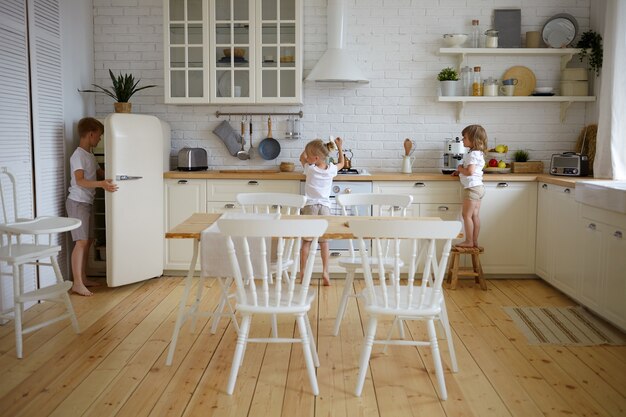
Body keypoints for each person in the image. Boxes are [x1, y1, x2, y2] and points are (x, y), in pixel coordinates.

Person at [66, 117, 118, 296]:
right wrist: (101, 184)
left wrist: (118, 173)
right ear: (90, 134)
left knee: (87, 242)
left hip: (87, 202)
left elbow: (100, 172)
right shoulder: (78, 156)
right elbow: (80, 181)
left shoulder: (89, 155)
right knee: (80, 242)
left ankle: (83, 277)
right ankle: (77, 283)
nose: (100, 139)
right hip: (78, 202)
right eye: (99, 136)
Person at [299, 137, 345, 286]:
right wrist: (339, 146)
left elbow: (302, 158)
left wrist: (306, 151)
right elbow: (342, 163)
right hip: (325, 208)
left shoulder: (310, 169)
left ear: (316, 158)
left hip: (310, 206)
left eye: (309, 154)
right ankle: (326, 271)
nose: (306, 156)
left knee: (306, 242)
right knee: (324, 243)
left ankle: (304, 271)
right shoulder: (331, 169)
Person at [453, 124, 487, 248]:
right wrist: (460, 172)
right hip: (479, 188)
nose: (462, 140)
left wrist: (460, 168)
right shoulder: (479, 153)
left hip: (472, 188)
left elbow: (470, 171)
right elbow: (472, 171)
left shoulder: (472, 154)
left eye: (465, 137)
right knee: (474, 215)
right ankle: (475, 241)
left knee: (466, 215)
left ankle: (469, 241)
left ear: (473, 139)